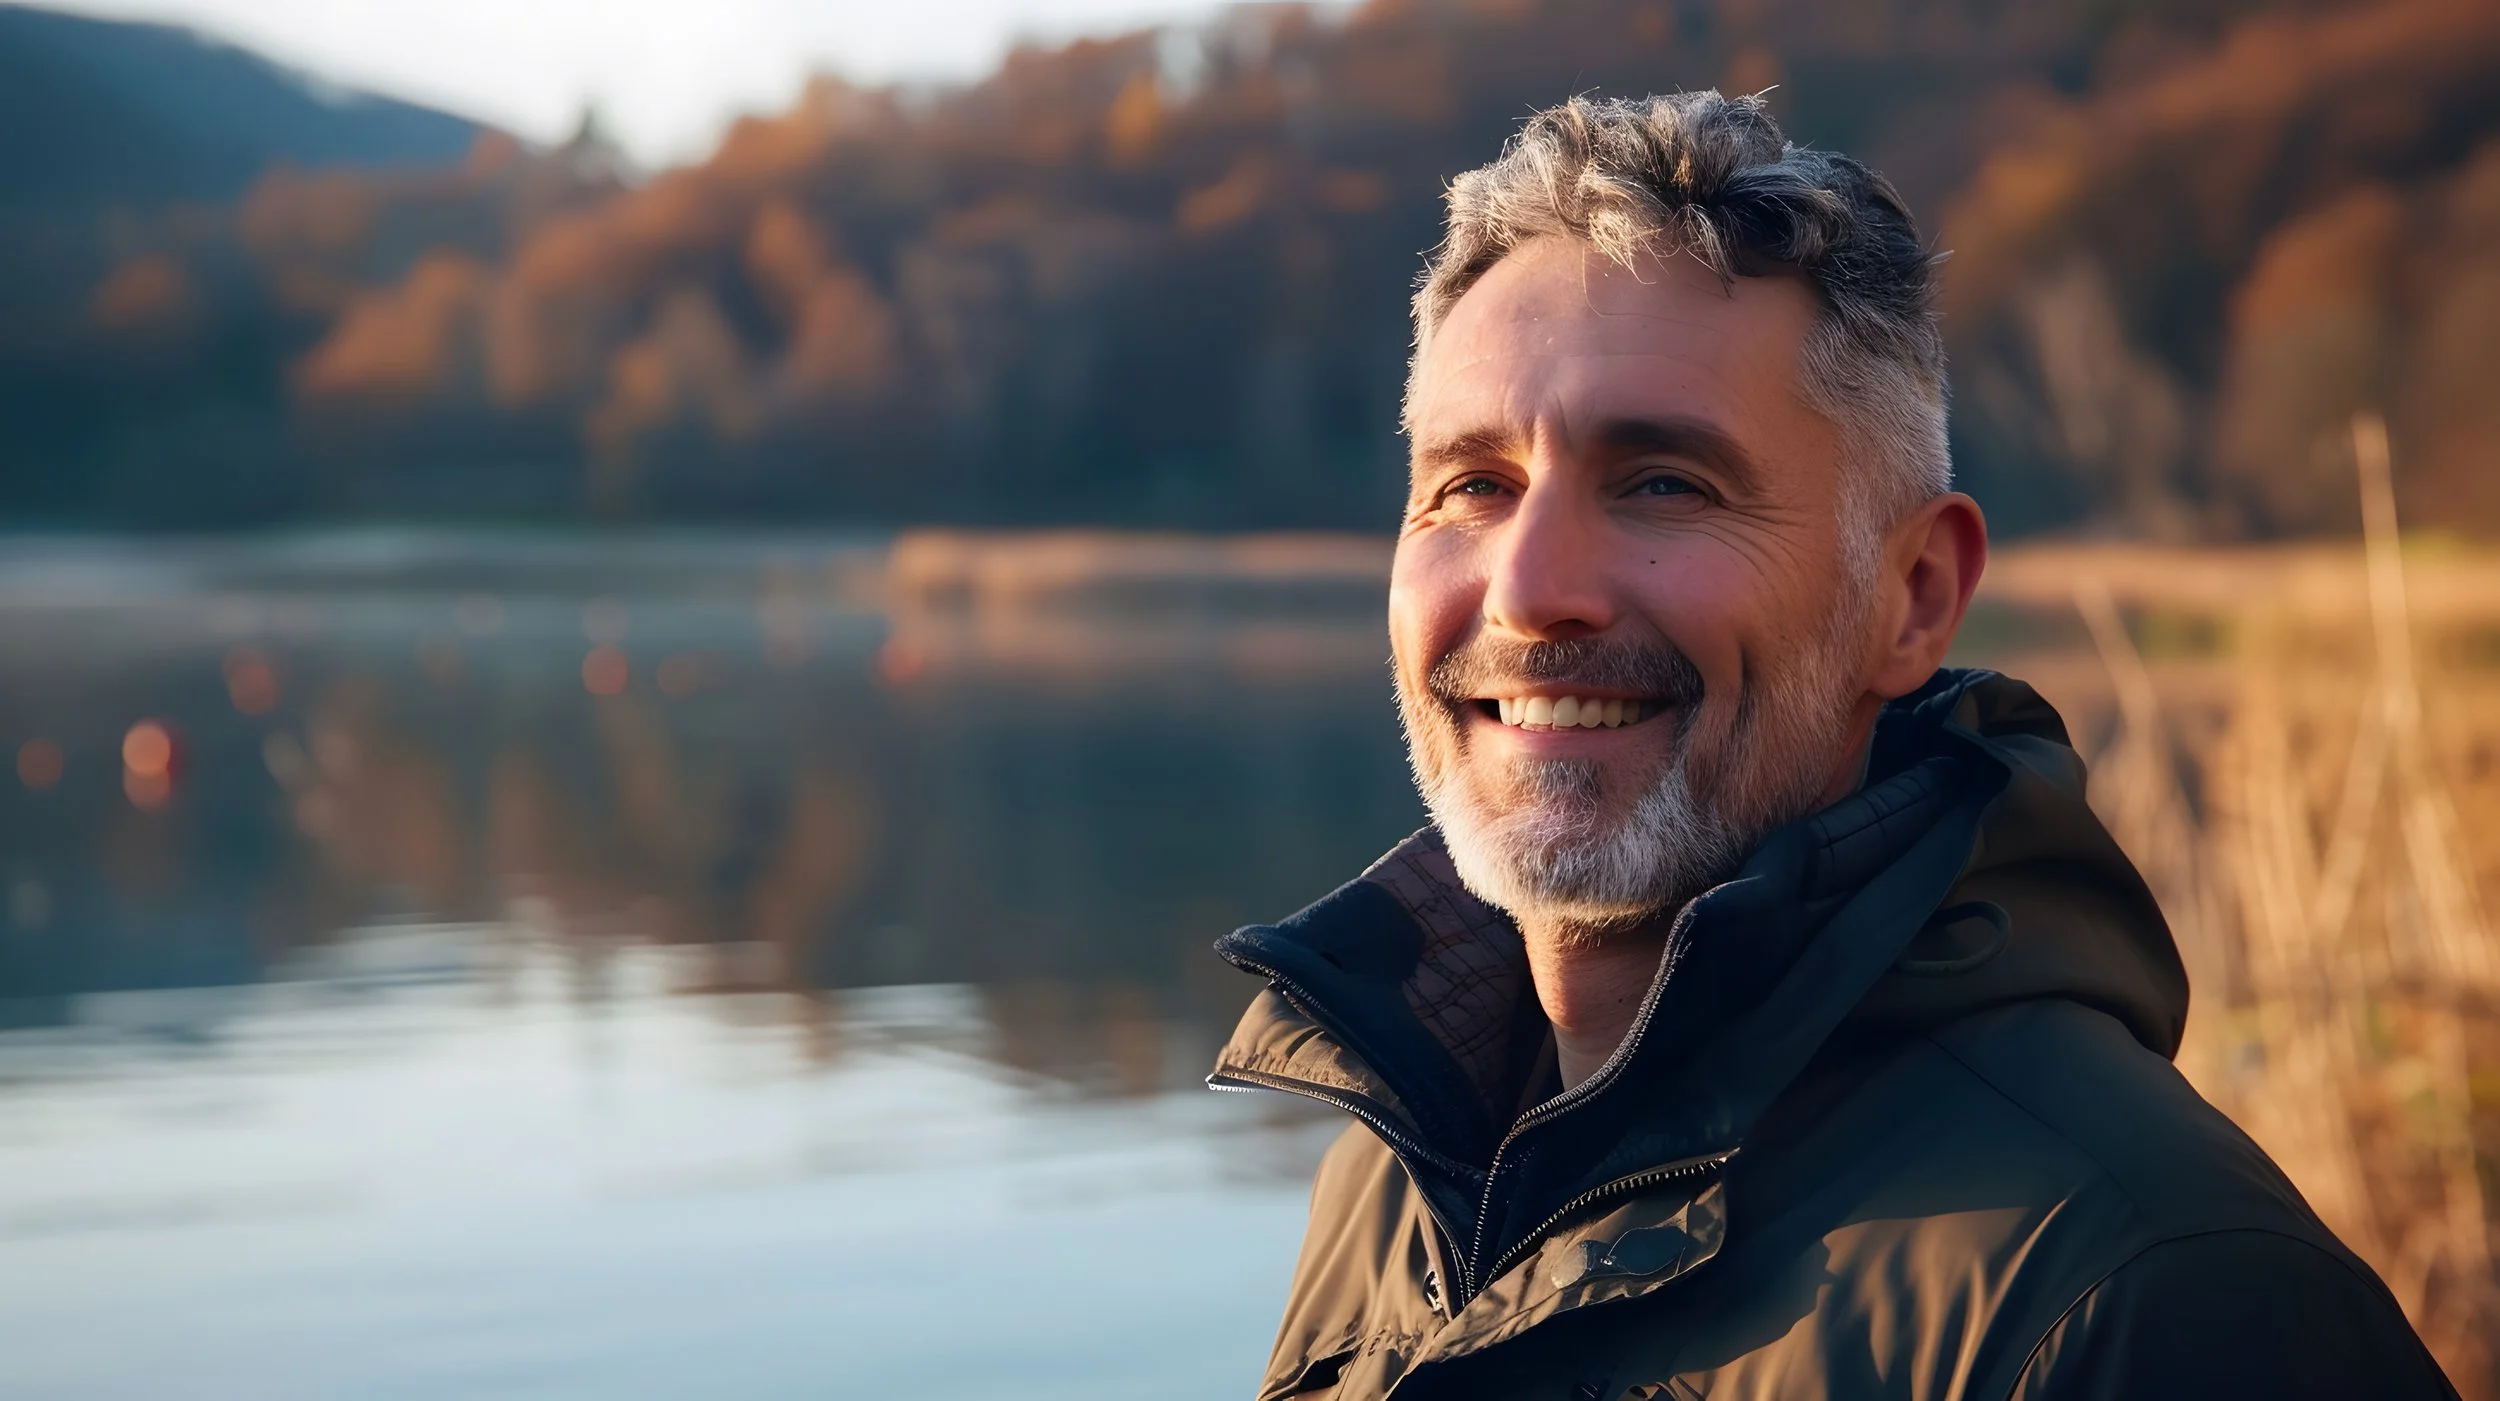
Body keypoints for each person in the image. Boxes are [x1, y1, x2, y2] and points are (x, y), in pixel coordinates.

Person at [1207, 90, 2457, 1401]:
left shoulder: (2154, 1292)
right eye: (1474, 486)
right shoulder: (1400, 1172)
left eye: (1663, 484)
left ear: (1912, 596)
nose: (1530, 589)